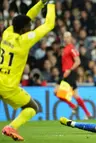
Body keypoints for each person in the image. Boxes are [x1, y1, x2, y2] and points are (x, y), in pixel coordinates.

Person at [0, 0, 55, 141]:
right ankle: (11, 127)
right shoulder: (24, 40)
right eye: (29, 26)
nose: (31, 28)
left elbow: (27, 17)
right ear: (24, 29)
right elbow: (49, 25)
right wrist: (51, 4)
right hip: (8, 86)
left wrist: (41, 3)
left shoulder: (7, 32)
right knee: (32, 107)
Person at [54, 31, 91, 119]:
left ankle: (75, 107)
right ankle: (86, 113)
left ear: (71, 38)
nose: (65, 38)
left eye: (67, 37)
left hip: (69, 74)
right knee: (73, 95)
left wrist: (69, 70)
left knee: (57, 92)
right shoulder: (65, 49)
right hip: (65, 73)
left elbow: (78, 61)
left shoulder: (71, 49)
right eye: (64, 37)